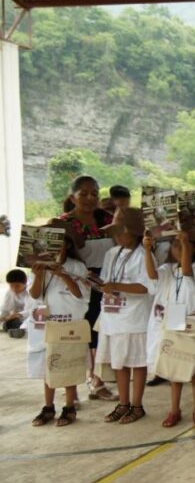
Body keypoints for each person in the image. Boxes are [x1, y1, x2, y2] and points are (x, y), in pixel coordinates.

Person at [143, 230, 195, 428]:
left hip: (191, 317)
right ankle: (175, 409)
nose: (178, 250)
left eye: (184, 246)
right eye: (175, 246)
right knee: (175, 365)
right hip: (173, 316)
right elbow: (151, 274)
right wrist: (147, 250)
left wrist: (185, 243)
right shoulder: (166, 268)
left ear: (194, 249)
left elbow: (186, 269)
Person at [96, 208, 157, 424]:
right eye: (115, 232)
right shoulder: (112, 254)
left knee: (137, 363)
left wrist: (116, 286)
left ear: (134, 232)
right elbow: (105, 281)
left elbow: (147, 287)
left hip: (135, 317)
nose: (117, 236)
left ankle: (137, 405)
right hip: (113, 317)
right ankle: (123, 403)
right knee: (118, 363)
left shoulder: (144, 254)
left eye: (121, 231)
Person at [58, 175, 116, 402]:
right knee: (76, 332)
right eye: (84, 194)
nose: (90, 198)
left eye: (94, 193)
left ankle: (97, 381)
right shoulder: (62, 223)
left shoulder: (108, 219)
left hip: (107, 282)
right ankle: (70, 386)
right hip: (77, 284)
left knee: (99, 331)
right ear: (72, 197)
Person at [26, 222, 88, 427]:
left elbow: (81, 295)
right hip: (47, 325)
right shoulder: (38, 268)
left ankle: (69, 406)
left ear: (67, 245)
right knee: (48, 366)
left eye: (57, 243)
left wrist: (63, 275)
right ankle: (48, 406)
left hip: (68, 323)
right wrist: (40, 274)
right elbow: (35, 295)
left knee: (67, 365)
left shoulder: (77, 267)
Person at [2, 269, 28, 336]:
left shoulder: (31, 292)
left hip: (27, 317)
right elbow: (5, 309)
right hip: (15, 318)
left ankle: (21, 329)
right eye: (11, 286)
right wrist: (3, 317)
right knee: (8, 323)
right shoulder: (9, 292)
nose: (14, 289)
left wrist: (18, 314)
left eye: (17, 286)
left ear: (25, 283)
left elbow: (32, 310)